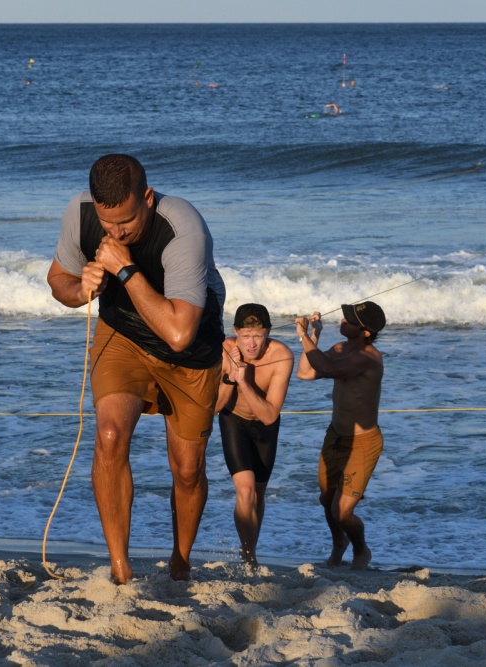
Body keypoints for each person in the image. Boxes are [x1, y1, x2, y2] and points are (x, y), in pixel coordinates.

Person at [47, 154, 225, 584]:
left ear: (146, 197)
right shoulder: (80, 212)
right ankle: (121, 571)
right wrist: (81, 289)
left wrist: (124, 269)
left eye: (126, 221)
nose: (116, 232)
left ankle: (180, 562)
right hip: (122, 336)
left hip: (191, 351)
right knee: (109, 435)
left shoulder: (182, 227)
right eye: (107, 223)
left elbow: (179, 333)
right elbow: (58, 280)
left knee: (187, 470)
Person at [295, 301, 386, 571]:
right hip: (335, 436)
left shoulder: (368, 357)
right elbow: (305, 372)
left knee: (342, 511)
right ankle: (339, 543)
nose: (343, 320)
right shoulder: (340, 349)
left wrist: (301, 335)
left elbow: (328, 369)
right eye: (345, 316)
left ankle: (361, 548)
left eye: (350, 320)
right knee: (327, 499)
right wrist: (314, 334)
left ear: (366, 332)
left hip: (363, 443)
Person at [214, 303, 293, 568]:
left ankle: (250, 548)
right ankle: (248, 556)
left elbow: (270, 415)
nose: (251, 344)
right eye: (246, 336)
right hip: (233, 420)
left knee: (258, 494)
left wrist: (244, 381)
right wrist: (230, 375)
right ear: (236, 331)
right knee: (245, 489)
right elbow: (214, 408)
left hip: (265, 427)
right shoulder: (225, 349)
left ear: (268, 332)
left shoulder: (282, 355)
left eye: (258, 336)